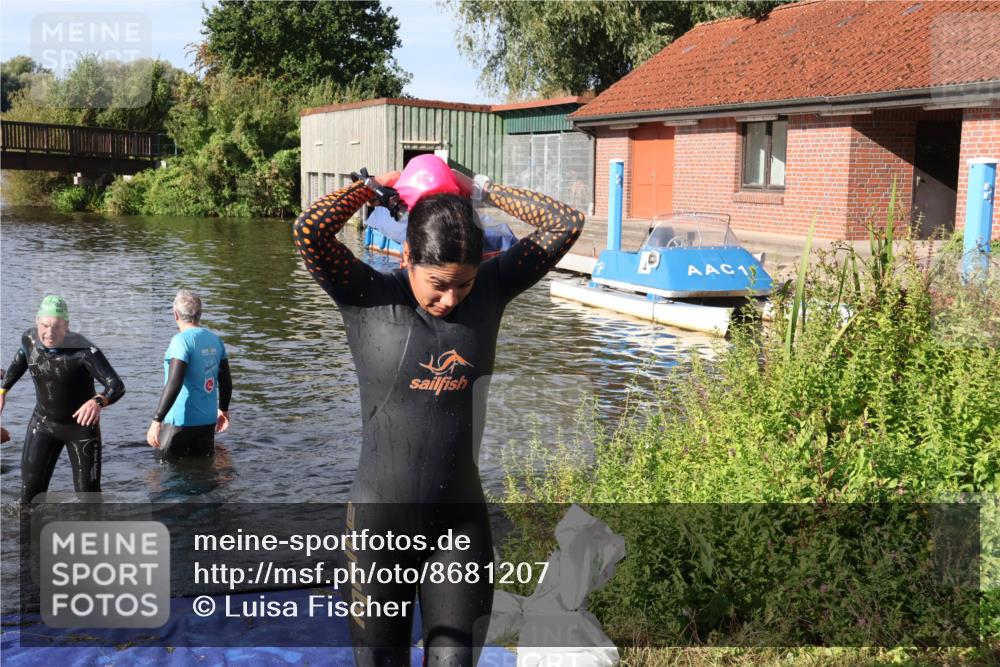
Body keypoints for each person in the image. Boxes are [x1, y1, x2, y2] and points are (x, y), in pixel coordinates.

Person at [293, 160, 584, 666]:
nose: (450, 298)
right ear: (406, 255)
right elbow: (309, 231)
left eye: (463, 284)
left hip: (459, 527)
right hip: (378, 526)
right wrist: (372, 188)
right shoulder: (367, 296)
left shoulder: (492, 290)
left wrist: (480, 189)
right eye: (438, 283)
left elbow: (566, 223)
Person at [0, 295, 125, 503]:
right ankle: (28, 534)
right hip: (43, 424)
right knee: (29, 497)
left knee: (89, 498)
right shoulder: (29, 339)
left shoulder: (84, 351)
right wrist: (3, 390)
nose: (49, 333)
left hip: (81, 429)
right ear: (37, 321)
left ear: (66, 326)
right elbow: (21, 359)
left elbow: (116, 385)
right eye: (45, 325)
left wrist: (99, 401)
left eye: (57, 326)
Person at [146, 289, 232, 460]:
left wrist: (157, 420)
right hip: (207, 421)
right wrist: (223, 409)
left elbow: (174, 382)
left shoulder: (180, 341)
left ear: (175, 314)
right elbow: (226, 380)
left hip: (179, 421)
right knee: (203, 472)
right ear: (200, 314)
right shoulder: (215, 340)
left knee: (165, 473)